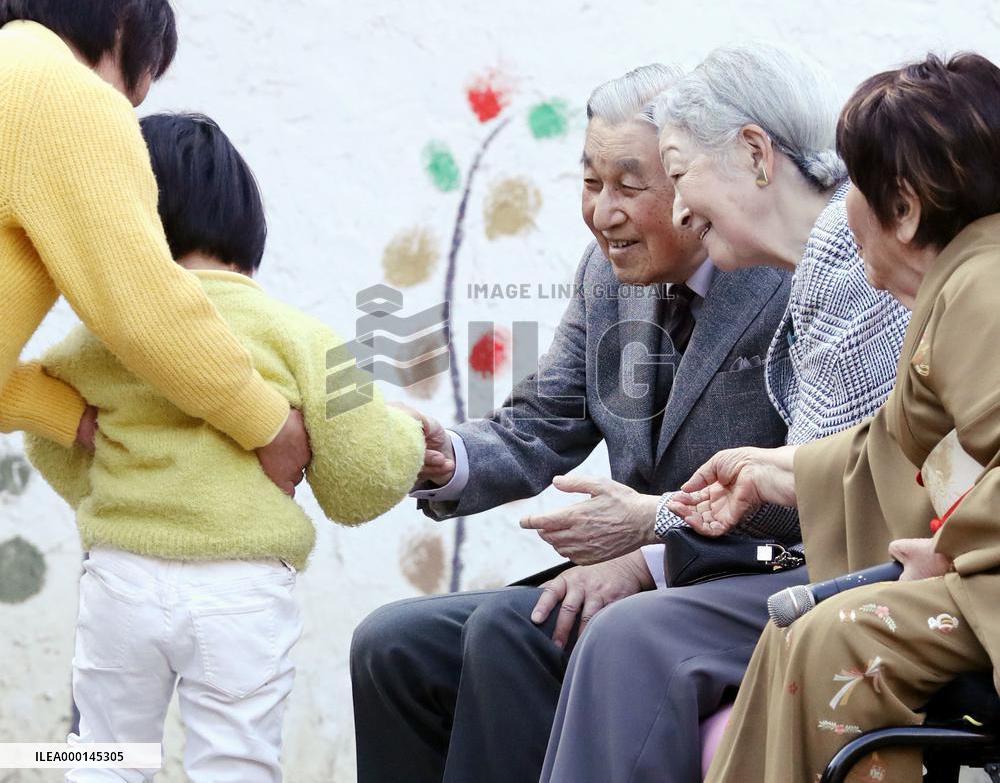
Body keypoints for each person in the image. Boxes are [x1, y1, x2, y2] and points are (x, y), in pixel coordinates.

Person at [351, 64, 796, 783]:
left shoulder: (782, 272)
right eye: (591, 183)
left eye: (629, 185)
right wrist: (447, 456)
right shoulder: (605, 274)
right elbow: (539, 423)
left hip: (749, 574)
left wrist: (649, 554)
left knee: (510, 631)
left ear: (691, 180)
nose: (603, 213)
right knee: (392, 646)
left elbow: (808, 487)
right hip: (643, 575)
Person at [533, 43, 913, 783]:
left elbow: (839, 488)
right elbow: (827, 467)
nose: (676, 210)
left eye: (677, 176)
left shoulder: (843, 249)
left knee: (625, 639)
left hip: (868, 575)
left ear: (754, 154)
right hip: (832, 562)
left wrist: (651, 522)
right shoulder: (822, 253)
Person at [23, 112, 427, 783]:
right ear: (247, 224)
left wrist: (113, 487)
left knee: (105, 754)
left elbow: (49, 432)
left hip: (120, 576)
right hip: (240, 589)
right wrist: (410, 435)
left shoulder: (102, 338)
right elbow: (366, 472)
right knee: (236, 765)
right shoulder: (303, 338)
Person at [670, 52, 1000, 783]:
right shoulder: (965, 281)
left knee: (832, 638)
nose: (842, 205)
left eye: (857, 181)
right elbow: (908, 450)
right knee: (797, 631)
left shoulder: (983, 284)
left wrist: (956, 555)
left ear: (906, 209)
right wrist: (771, 472)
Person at [0, 0, 308, 492]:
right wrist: (268, 425)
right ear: (121, 28)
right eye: (129, 96)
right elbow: (141, 305)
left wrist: (66, 412)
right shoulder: (61, 93)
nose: (121, 113)